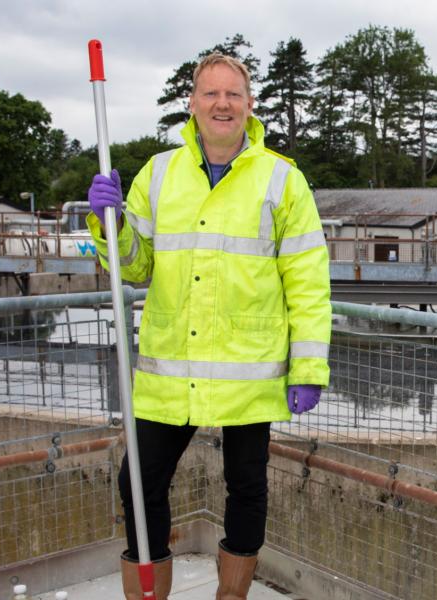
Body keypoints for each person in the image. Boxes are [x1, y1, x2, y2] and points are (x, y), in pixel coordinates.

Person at [86, 52, 330, 600]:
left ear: (248, 105)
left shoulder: (283, 180)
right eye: (211, 94)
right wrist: (111, 226)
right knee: (138, 482)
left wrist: (308, 367)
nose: (222, 104)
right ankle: (149, 592)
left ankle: (231, 595)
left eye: (233, 94)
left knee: (246, 488)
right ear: (192, 105)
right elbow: (136, 266)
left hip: (249, 372)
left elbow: (309, 281)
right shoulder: (159, 173)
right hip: (170, 370)